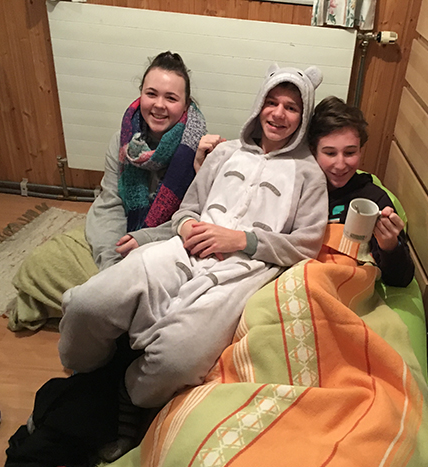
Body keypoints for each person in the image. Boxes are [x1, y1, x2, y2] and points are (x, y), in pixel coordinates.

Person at [57, 64, 328, 414]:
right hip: (182, 250)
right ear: (259, 104)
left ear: (303, 118)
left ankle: (127, 397)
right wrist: (185, 226)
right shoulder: (226, 153)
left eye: (291, 107)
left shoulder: (310, 175)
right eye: (271, 102)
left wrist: (241, 240)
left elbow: (306, 245)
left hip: (239, 275)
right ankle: (88, 372)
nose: (278, 114)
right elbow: (187, 210)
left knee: (177, 360)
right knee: (87, 303)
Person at [9, 51, 207, 332]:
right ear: (141, 95)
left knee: (176, 296)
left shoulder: (199, 150)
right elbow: (109, 203)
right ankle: (118, 312)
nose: (159, 105)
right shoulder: (123, 141)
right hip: (121, 240)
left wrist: (144, 239)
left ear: (186, 104)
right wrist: (111, 265)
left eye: (171, 98)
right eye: (151, 94)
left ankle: (103, 310)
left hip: (167, 246)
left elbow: (197, 219)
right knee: (40, 264)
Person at [307, 96, 414, 287]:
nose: (340, 164)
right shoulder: (299, 189)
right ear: (313, 151)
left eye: (350, 153)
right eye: (330, 153)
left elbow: (401, 280)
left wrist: (390, 245)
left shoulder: (374, 199)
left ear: (360, 151)